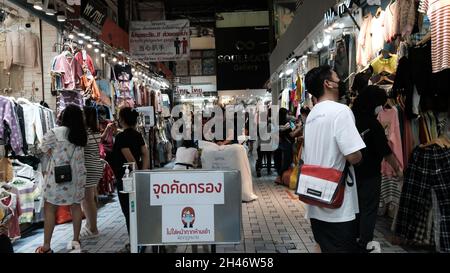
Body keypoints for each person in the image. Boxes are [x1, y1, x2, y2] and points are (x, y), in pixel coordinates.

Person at [303, 65, 366, 253]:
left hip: (314, 200)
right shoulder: (341, 111)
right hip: (338, 205)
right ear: (327, 83)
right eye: (337, 78)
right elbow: (353, 155)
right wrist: (361, 155)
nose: (341, 81)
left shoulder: (312, 115)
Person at [352, 85, 402, 252]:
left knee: (355, 207)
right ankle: (364, 242)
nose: (381, 107)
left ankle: (353, 238)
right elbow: (385, 151)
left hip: (352, 174)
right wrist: (398, 169)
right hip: (370, 174)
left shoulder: (351, 119)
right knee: (369, 209)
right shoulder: (374, 124)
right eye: (380, 104)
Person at [35, 104, 88, 253]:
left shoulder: (55, 132)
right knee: (76, 206)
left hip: (57, 177)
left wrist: (54, 153)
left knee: (50, 208)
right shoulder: (81, 134)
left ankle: (46, 246)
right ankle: (76, 240)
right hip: (77, 176)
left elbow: (43, 147)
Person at [112, 107, 149, 252]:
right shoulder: (138, 134)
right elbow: (145, 153)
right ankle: (140, 240)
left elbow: (129, 159)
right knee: (138, 210)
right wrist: (144, 172)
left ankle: (134, 242)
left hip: (126, 178)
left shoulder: (121, 137)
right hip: (137, 176)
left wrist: (136, 174)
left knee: (129, 211)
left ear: (122, 119)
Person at [81, 106, 104, 238]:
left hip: (88, 167)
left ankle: (93, 228)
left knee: (88, 200)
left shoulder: (85, 133)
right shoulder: (95, 132)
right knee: (88, 199)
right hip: (96, 165)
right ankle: (89, 224)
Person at [273, 108, 294, 184]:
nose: (288, 115)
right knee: (287, 161)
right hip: (286, 144)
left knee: (278, 160)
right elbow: (291, 134)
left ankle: (280, 176)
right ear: (285, 114)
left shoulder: (276, 123)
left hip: (278, 144)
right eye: (287, 114)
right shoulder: (286, 123)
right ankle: (279, 177)